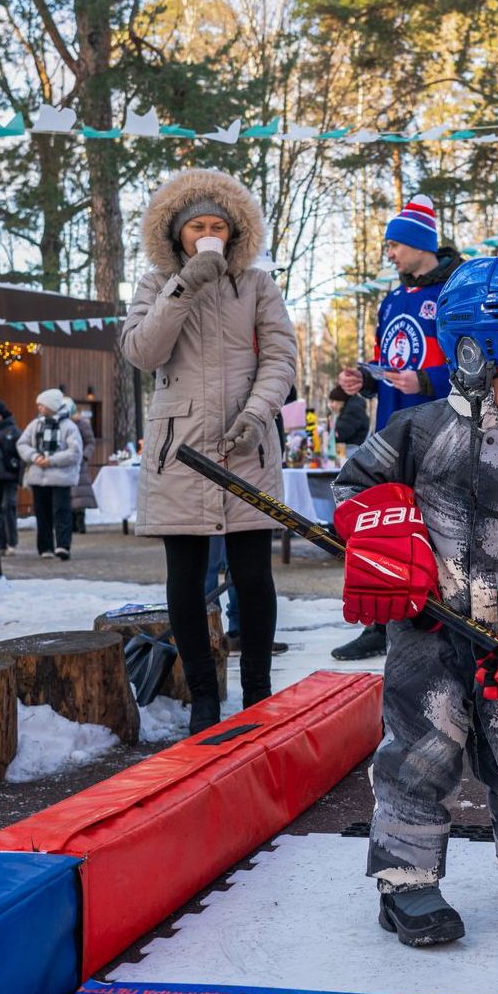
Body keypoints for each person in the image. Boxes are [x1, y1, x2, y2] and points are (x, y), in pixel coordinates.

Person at [331, 255, 498, 947]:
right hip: (426, 627)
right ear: (475, 357)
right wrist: (389, 537)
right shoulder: (415, 432)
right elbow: (350, 491)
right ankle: (407, 883)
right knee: (424, 749)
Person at [120, 167, 296, 734]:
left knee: (253, 574)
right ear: (177, 234)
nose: (208, 233)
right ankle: (202, 697)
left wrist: (256, 412)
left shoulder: (258, 286)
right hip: (180, 449)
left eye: (218, 225)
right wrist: (186, 284)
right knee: (187, 577)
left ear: (236, 230)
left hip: (248, 445)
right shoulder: (156, 284)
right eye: (197, 225)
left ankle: (260, 696)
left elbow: (281, 359)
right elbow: (143, 352)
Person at [332, 193, 462, 662]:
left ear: (418, 243)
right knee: (382, 523)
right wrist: (365, 378)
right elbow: (390, 362)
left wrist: (427, 379)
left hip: (441, 430)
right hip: (389, 430)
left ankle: (434, 619)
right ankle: (378, 622)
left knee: (434, 528)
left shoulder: (454, 292)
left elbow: (477, 362)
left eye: (394, 245)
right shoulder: (391, 301)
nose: (389, 254)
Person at [16, 388, 82, 560]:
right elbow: (22, 443)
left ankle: (62, 546)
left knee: (62, 511)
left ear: (52, 405)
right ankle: (45, 547)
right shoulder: (35, 425)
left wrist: (51, 459)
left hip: (61, 477)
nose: (39, 408)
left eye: (42, 405)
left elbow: (74, 453)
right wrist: (35, 456)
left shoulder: (69, 427)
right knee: (42, 513)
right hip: (38, 476)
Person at [0, 400, 22, 556]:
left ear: (1, 414)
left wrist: (21, 477)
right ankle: (0, 543)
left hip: (10, 475)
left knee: (8, 506)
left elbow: (21, 454)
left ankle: (12, 542)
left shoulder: (13, 431)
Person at [67, 399, 97, 534]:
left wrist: (84, 456)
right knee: (70, 495)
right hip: (66, 462)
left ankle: (80, 524)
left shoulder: (82, 424)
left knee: (79, 494)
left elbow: (90, 441)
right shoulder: (63, 424)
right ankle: (72, 524)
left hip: (79, 463)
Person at [327, 385, 369, 458]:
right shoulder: (348, 410)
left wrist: (329, 433)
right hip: (350, 452)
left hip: (351, 453)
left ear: (340, 400)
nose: (331, 405)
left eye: (333, 401)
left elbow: (340, 434)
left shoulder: (353, 410)